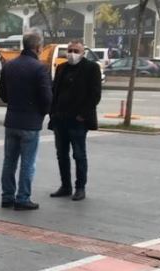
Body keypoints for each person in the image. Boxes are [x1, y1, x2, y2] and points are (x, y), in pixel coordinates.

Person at [0, 31, 51, 211]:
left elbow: (2, 94)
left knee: (9, 161)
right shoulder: (40, 68)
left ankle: (7, 196)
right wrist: (42, 113)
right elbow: (46, 97)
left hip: (11, 120)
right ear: (37, 47)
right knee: (28, 162)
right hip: (30, 123)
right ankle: (22, 198)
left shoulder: (9, 66)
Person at [48, 40, 101, 202]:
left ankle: (80, 187)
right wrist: (53, 112)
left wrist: (83, 115)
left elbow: (95, 95)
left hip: (78, 121)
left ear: (83, 52)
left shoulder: (91, 68)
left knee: (79, 155)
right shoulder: (62, 68)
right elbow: (54, 91)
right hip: (60, 119)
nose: (72, 53)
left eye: (76, 51)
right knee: (61, 155)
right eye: (70, 50)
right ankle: (65, 186)